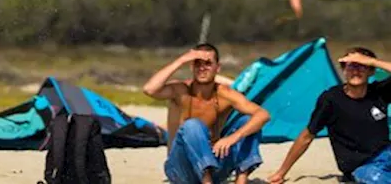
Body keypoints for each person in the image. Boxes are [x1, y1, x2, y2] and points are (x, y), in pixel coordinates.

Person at [143, 44, 270, 184]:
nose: (202, 68)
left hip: (216, 166)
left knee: (247, 121)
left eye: (208, 64)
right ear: (192, 67)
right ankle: (206, 180)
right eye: (198, 63)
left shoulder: (224, 94)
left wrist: (233, 137)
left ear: (218, 67)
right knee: (192, 125)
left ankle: (241, 179)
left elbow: (262, 114)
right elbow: (150, 89)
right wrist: (181, 60)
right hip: (181, 168)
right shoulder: (181, 91)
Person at [267, 47, 391, 183]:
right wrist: (281, 172)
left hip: (387, 154)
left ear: (371, 71)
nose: (356, 71)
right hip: (362, 165)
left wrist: (372, 61)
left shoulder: (379, 92)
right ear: (343, 70)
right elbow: (307, 136)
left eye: (362, 66)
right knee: (376, 178)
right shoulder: (331, 99)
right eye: (351, 66)